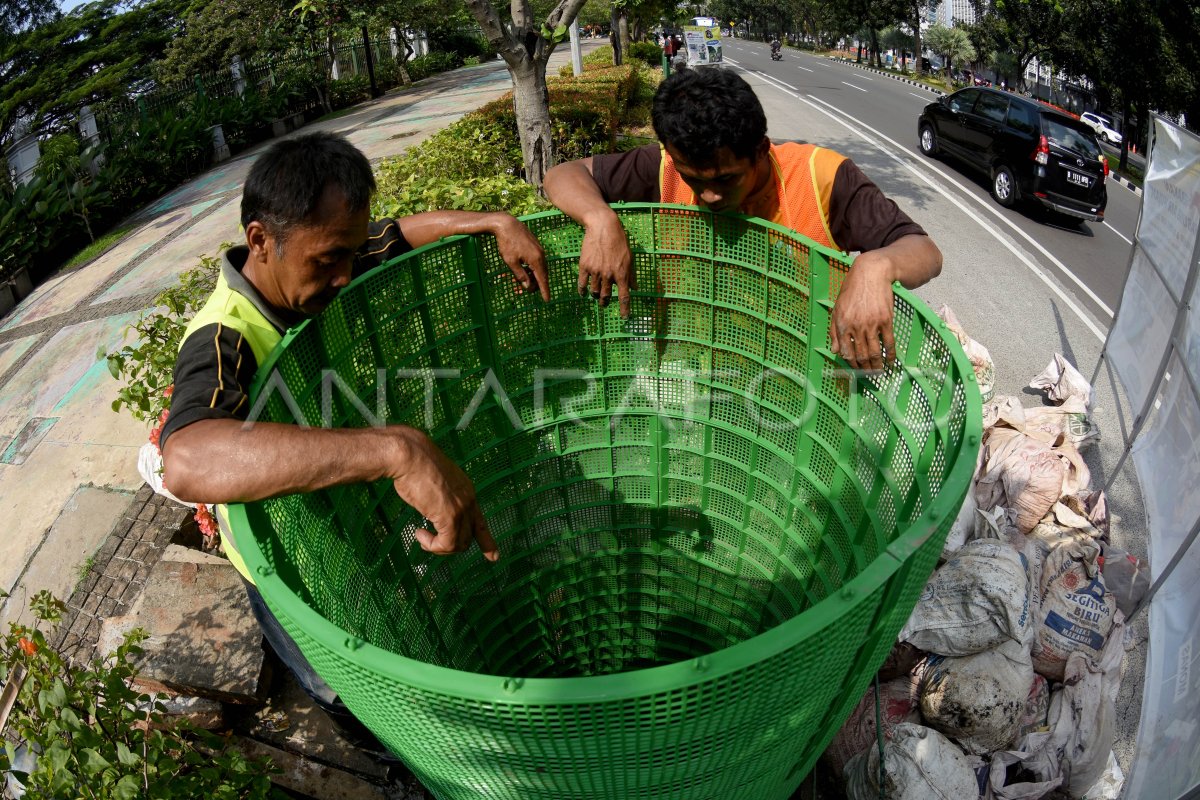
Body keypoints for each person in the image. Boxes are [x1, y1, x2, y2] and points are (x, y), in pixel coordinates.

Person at [159, 131, 549, 751]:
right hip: (290, 577)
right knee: (339, 686)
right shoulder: (222, 337)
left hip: (345, 526)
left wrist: (493, 221)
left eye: (349, 255)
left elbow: (395, 235)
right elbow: (185, 457)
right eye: (327, 260)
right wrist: (395, 450)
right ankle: (386, 755)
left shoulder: (320, 265)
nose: (346, 275)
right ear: (260, 240)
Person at [543, 68, 942, 372]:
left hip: (800, 377)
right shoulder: (662, 166)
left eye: (726, 179)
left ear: (761, 150)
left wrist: (876, 265)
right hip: (696, 371)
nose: (708, 196)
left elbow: (923, 250)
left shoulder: (820, 176)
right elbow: (563, 175)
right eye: (692, 179)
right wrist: (599, 220)